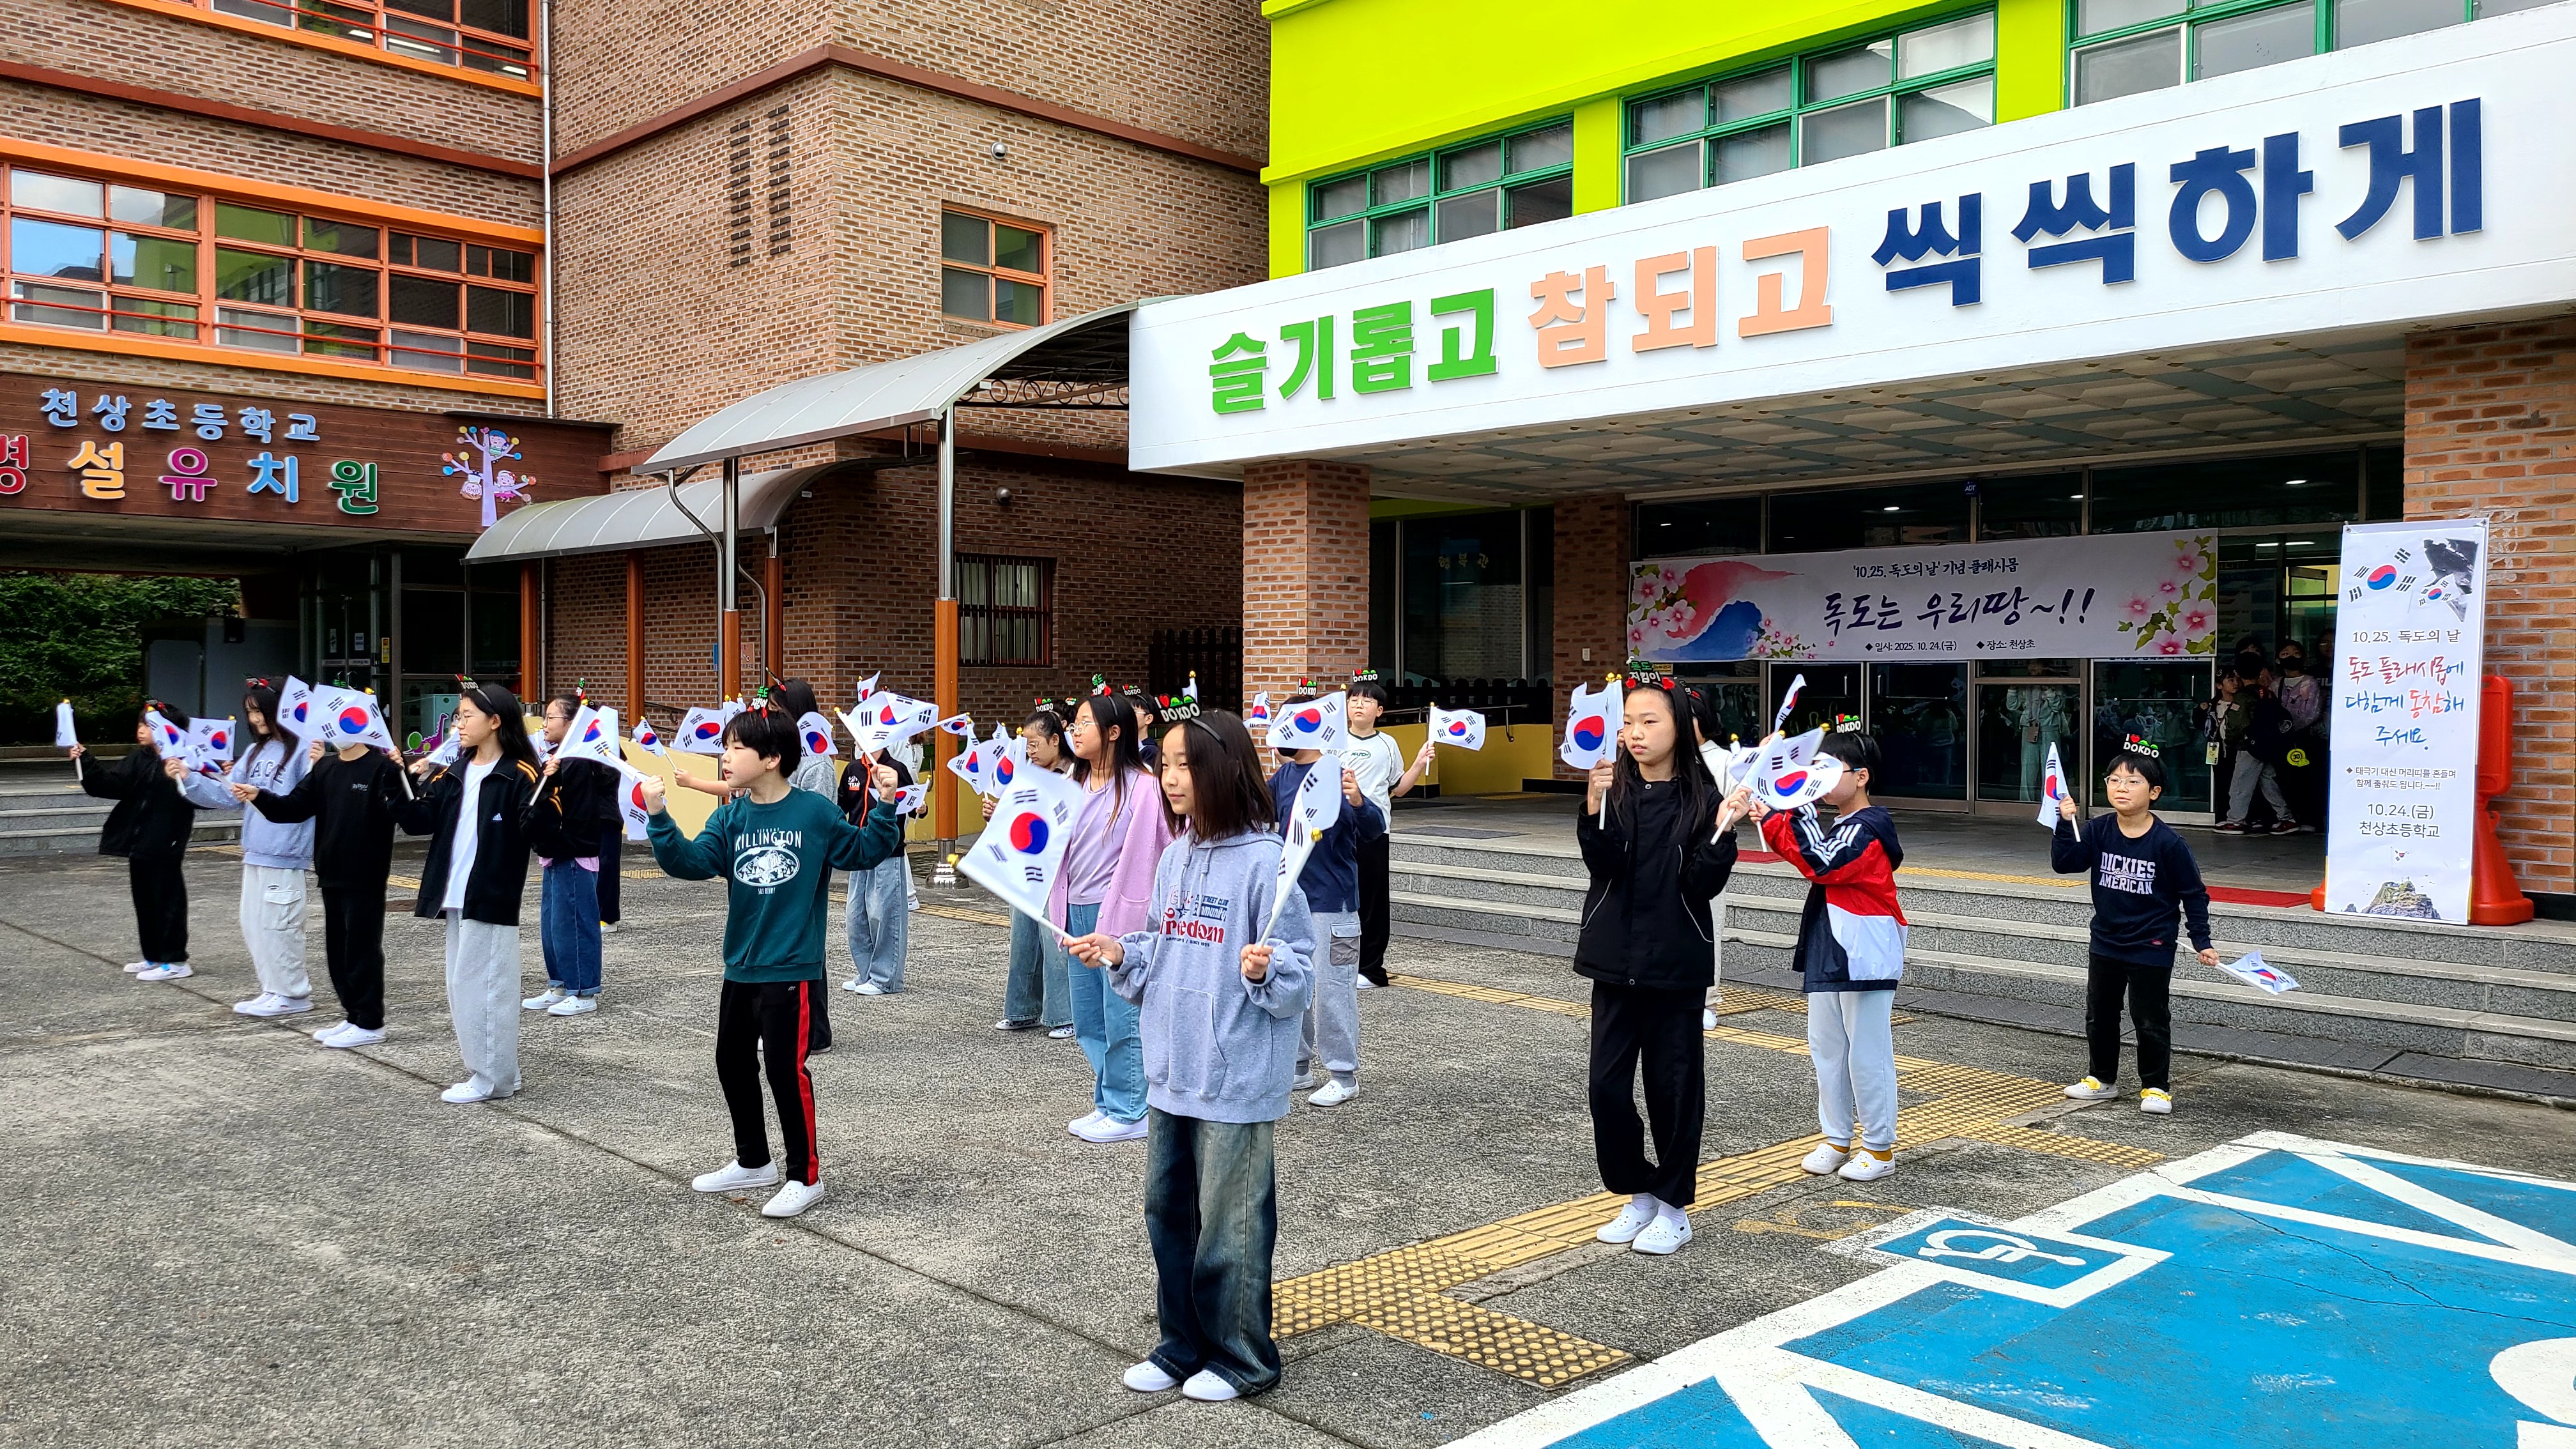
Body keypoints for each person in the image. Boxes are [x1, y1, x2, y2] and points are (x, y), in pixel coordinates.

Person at [1063, 707, 1314, 1403]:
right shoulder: (1175, 858)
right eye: (1165, 763)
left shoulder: (1269, 863)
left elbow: (1299, 975)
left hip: (1235, 1076)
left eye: (1185, 764)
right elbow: (1156, 952)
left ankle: (1244, 1358)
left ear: (1226, 769)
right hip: (1171, 1070)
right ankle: (1181, 1345)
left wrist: (1267, 971)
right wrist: (1118, 951)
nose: (1171, 778)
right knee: (1168, 1212)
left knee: (1232, 1224)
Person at [642, 703, 907, 1220]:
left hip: (793, 968)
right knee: (731, 1062)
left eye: (736, 747)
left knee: (786, 1071)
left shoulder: (812, 811)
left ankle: (804, 1176)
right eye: (726, 746)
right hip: (741, 965)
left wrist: (886, 802)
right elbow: (691, 863)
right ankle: (753, 1160)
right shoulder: (732, 815)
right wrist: (659, 818)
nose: (725, 756)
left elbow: (865, 851)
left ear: (771, 758)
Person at [1577, 678, 1744, 1257]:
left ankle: (1674, 1206)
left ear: (1680, 727)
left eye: (1650, 721)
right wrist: (1593, 807)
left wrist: (1723, 834)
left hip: (1675, 966)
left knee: (1673, 1090)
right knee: (1606, 1089)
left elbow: (1701, 885)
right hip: (1613, 963)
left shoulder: (1703, 799)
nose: (1635, 732)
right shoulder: (1613, 790)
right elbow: (1604, 867)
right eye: (1629, 721)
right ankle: (1637, 1192)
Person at [1757, 724, 1906, 1183]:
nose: (1816, 780)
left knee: (1867, 1052)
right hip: (1835, 944)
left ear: (1861, 777)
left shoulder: (1870, 828)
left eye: (1826, 770)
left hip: (1863, 949)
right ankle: (1837, 1137)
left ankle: (1879, 1148)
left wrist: (1788, 802)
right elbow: (1811, 857)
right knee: (1827, 1048)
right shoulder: (1847, 826)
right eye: (1812, 771)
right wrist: (1776, 810)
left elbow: (1821, 861)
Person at [2054, 746, 2215, 1116]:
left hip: (2152, 944)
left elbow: (2193, 894)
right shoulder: (2097, 829)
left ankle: (2156, 1087)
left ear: (2153, 793)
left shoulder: (2169, 843)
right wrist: (2066, 825)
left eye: (2132, 781)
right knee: (2101, 1013)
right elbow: (2067, 864)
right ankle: (2101, 1079)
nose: (2121, 787)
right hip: (2106, 940)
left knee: (2150, 1017)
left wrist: (2201, 940)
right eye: (2114, 780)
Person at [401, 682, 542, 1105]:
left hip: (491, 895)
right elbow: (420, 821)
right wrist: (400, 783)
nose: (458, 724)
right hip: (455, 894)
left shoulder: (521, 774)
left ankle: (491, 1080)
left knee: (488, 990)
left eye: (466, 716)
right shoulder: (456, 772)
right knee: (465, 988)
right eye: (459, 716)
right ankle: (499, 1072)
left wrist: (548, 796)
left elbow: (538, 831)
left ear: (495, 721)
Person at [1050, 693, 1175, 1143]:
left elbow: (1169, 843)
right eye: (1075, 723)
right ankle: (1108, 1100)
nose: (1075, 730)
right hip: (1072, 910)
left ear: (1114, 732)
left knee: (1122, 1014)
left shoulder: (1144, 787)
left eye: (1085, 723)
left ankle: (1130, 1109)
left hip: (1120, 916)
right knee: (1088, 1016)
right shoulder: (1070, 781)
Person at [245, 727, 411, 1047]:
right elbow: (293, 807)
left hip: (366, 873)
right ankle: (352, 1015)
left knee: (362, 949)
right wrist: (258, 796)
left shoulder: (382, 767)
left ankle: (370, 1021)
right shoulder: (326, 767)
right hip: (331, 871)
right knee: (338, 948)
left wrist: (403, 773)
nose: (337, 733)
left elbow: (402, 810)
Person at [175, 680, 313, 1016]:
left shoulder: (306, 750)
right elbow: (226, 795)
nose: (255, 719)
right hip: (256, 851)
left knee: (280, 926)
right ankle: (273, 989)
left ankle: (293, 994)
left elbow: (308, 800)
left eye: (260, 711)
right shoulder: (254, 753)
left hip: (286, 854)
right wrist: (189, 776)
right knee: (255, 923)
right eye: (250, 712)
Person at [1271, 691, 1381, 1108]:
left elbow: (1373, 829)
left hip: (1332, 904)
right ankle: (1297, 1068)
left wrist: (1357, 800)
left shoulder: (1337, 775)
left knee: (1332, 991)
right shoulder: (1280, 779)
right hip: (1290, 902)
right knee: (1291, 986)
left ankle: (1342, 1074)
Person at [75, 704, 197, 981]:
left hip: (167, 839)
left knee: (167, 899)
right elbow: (112, 785)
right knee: (145, 900)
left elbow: (202, 794)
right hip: (139, 839)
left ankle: (176, 960)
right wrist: (85, 760)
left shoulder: (185, 759)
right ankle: (154, 956)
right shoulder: (140, 758)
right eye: (141, 725)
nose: (141, 731)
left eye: (149, 726)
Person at [524, 691, 620, 1018]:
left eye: (551, 717)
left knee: (576, 923)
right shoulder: (559, 758)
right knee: (554, 924)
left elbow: (577, 814)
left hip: (573, 852)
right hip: (556, 853)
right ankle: (560, 983)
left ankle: (584, 989)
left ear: (571, 724)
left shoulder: (582, 761)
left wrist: (555, 840)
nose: (545, 723)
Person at [995, 708, 1075, 1035]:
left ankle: (1062, 1015)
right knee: (1023, 937)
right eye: (1026, 744)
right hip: (1027, 865)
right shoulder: (1028, 775)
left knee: (1053, 938)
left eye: (1035, 743)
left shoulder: (1075, 775)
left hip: (1057, 869)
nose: (1030, 751)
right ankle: (1022, 1009)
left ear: (1056, 741)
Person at [835, 735, 919, 996]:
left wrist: (921, 808)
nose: (870, 745)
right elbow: (842, 805)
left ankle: (886, 978)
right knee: (856, 915)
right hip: (859, 849)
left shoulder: (896, 769)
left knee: (884, 914)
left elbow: (912, 803)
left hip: (887, 850)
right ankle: (866, 973)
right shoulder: (853, 769)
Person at [1342, 673, 1405, 990]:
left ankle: (1371, 968)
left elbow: (1398, 787)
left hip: (1374, 832)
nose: (1359, 705)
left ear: (1379, 710)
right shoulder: (1333, 739)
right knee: (1341, 899)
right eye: (1354, 699)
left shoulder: (1388, 744)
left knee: (1373, 899)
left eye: (1367, 700)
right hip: (1337, 830)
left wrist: (1421, 762)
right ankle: (1341, 965)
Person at [2220, 668, 2299, 834]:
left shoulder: (2243, 696)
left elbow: (2238, 724)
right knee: (2268, 781)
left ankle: (2235, 821)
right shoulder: (2267, 693)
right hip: (2268, 745)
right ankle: (2286, 818)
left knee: (2241, 784)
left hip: (2249, 747)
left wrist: (2231, 741)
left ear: (2238, 673)